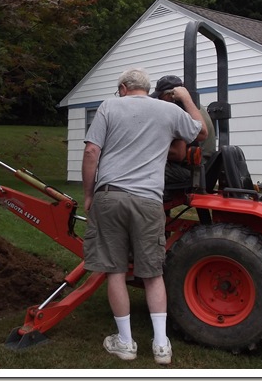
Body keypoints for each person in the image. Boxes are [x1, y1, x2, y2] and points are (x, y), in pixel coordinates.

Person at [82, 68, 207, 364]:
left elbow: (90, 152)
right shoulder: (167, 109)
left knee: (114, 271)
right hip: (149, 200)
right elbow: (200, 132)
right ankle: (161, 345)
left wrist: (88, 194)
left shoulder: (110, 106)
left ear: (123, 88)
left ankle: (125, 342)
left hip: (110, 196)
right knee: (152, 273)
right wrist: (187, 98)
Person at [150, 75, 217, 187]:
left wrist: (147, 146)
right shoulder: (195, 107)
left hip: (193, 171)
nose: (159, 101)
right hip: (205, 167)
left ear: (170, 95)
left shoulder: (181, 110)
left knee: (144, 168)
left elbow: (178, 154)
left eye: (160, 97)